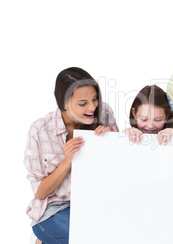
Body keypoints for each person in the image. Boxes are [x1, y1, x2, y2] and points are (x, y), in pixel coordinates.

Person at [24, 67, 118, 244]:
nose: (92, 107)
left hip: (96, 202)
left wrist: (111, 141)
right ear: (63, 104)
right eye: (83, 103)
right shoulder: (39, 131)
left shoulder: (104, 113)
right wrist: (67, 162)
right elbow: (40, 192)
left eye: (95, 98)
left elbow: (117, 167)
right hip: (55, 209)